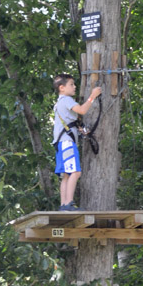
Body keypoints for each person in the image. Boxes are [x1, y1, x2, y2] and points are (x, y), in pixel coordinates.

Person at [52, 73, 102, 212]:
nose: (74, 87)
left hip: (61, 143)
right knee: (75, 172)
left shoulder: (59, 103)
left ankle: (63, 204)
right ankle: (69, 203)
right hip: (67, 142)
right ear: (62, 87)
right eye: (71, 84)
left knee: (67, 174)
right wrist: (93, 96)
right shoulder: (67, 100)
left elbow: (69, 122)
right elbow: (82, 110)